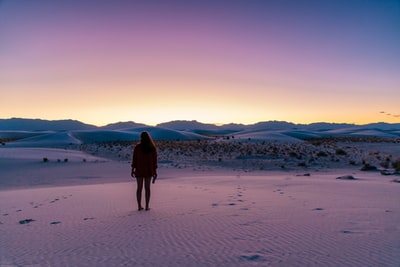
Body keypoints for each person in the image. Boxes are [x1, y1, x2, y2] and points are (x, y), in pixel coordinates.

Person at [131, 131, 158, 211]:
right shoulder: (152, 147)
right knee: (147, 188)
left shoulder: (137, 148)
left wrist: (132, 169)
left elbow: (134, 159)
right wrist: (155, 171)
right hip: (148, 170)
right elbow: (154, 161)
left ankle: (139, 206)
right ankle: (146, 206)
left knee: (139, 188)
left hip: (139, 170)